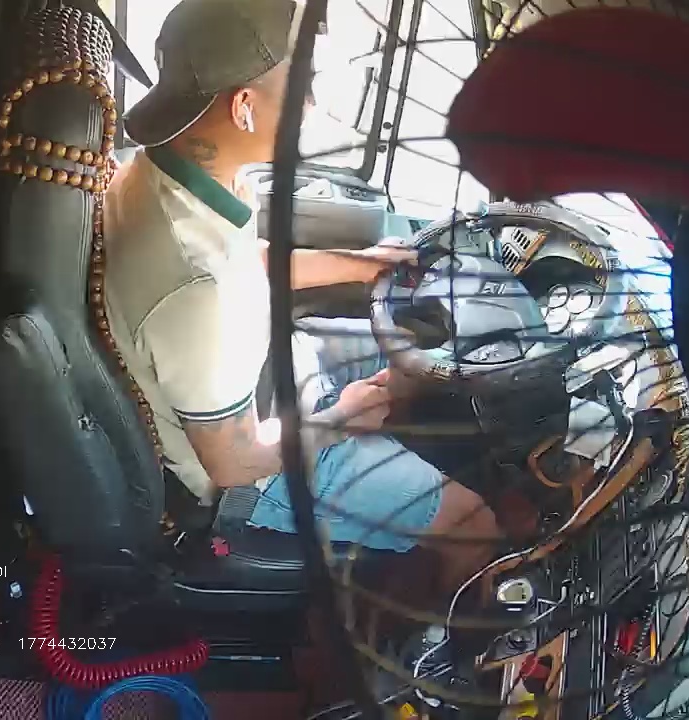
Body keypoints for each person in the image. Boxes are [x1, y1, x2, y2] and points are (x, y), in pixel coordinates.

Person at [102, 0, 501, 594]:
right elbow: (233, 462)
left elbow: (246, 260)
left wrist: (360, 264)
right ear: (243, 107)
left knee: (414, 356)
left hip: (255, 370)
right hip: (247, 474)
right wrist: (341, 419)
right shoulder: (196, 288)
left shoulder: (165, 173)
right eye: (300, 88)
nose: (310, 105)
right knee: (475, 523)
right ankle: (429, 636)